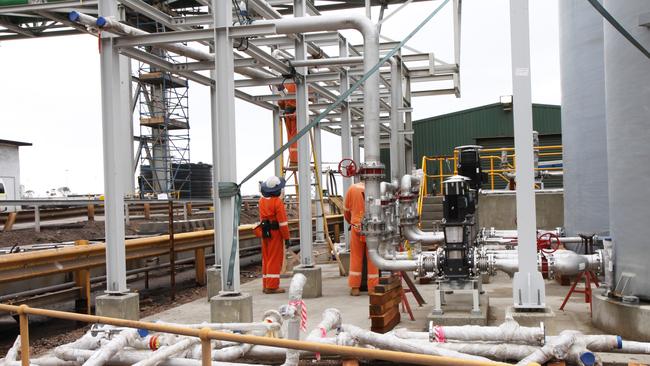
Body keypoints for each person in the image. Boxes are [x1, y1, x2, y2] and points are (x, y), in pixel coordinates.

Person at [255, 176, 290, 294]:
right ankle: (272, 286)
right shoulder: (277, 202)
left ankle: (266, 284)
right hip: (275, 233)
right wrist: (287, 237)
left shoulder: (261, 201)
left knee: (267, 258)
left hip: (265, 232)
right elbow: (283, 223)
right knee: (275, 259)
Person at [344, 181, 379, 296]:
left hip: (356, 226)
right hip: (372, 228)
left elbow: (346, 211)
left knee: (356, 256)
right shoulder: (376, 189)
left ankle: (355, 288)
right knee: (372, 257)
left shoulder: (352, 189)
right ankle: (372, 288)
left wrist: (353, 222)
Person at [276, 82, 298, 167]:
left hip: (287, 114)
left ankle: (293, 160)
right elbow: (311, 98)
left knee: (291, 137)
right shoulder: (299, 82)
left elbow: (280, 102)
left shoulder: (285, 83)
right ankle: (295, 161)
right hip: (296, 112)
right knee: (297, 137)